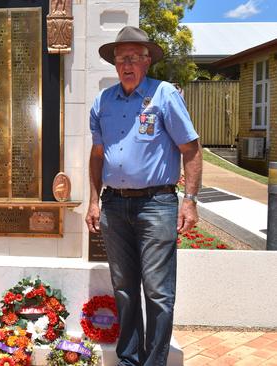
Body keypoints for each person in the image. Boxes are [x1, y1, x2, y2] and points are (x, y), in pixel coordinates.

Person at [85, 26, 202, 366]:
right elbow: (97, 155)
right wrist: (94, 200)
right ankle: (128, 359)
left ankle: (154, 362)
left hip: (157, 204)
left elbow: (191, 150)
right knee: (123, 288)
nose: (128, 64)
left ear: (147, 61)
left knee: (158, 292)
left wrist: (190, 200)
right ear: (115, 63)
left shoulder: (165, 95)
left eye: (135, 57)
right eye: (122, 58)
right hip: (114, 205)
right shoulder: (102, 102)